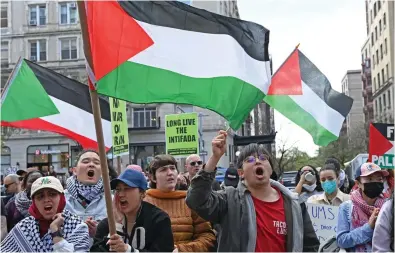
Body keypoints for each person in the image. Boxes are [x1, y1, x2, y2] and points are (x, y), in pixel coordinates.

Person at [186, 131, 320, 252]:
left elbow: (310, 245)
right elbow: (196, 201)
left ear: (270, 169)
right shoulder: (230, 200)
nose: (257, 161)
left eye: (263, 158)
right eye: (249, 160)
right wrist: (214, 158)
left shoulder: (294, 204)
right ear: (241, 173)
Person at [145, 154, 216, 252]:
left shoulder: (191, 201)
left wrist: (181, 250)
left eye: (172, 168)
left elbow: (208, 237)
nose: (170, 173)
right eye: (163, 170)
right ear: (153, 177)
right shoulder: (143, 202)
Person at [92, 169, 174, 252]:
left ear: (142, 193)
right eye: (118, 189)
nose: (120, 194)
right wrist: (117, 225)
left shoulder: (158, 220)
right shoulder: (106, 224)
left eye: (127, 188)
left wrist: (128, 250)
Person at [0, 176, 90, 252]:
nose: (46, 199)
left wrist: (56, 233)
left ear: (62, 198)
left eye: (52, 194)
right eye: (40, 196)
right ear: (34, 202)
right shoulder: (24, 227)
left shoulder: (77, 227)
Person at [336, 162, 388, 252]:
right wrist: (369, 227)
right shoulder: (346, 207)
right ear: (358, 183)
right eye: (370, 179)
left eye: (379, 179)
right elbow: (341, 240)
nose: (375, 183)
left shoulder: (388, 206)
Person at [64, 149, 107, 238]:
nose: (91, 164)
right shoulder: (61, 199)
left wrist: (99, 233)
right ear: (75, 170)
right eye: (86, 161)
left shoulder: (112, 201)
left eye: (96, 162)